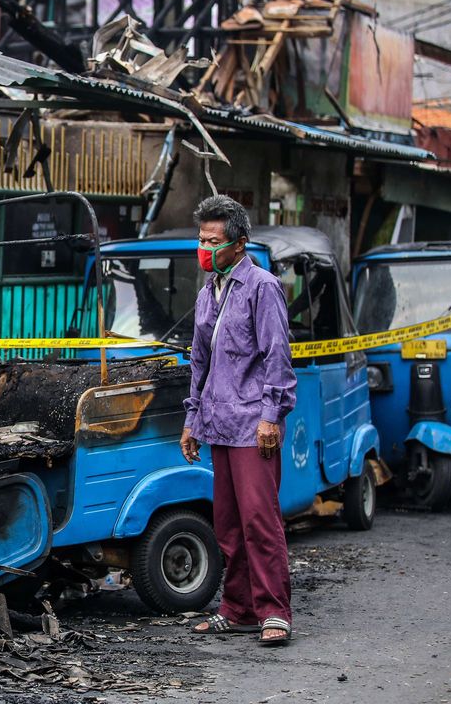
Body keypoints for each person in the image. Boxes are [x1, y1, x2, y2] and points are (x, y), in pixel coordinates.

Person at [180, 195, 297, 646]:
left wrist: (271, 416)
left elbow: (277, 357)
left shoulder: (261, 286)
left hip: (253, 424)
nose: (204, 248)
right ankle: (239, 608)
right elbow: (200, 363)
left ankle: (274, 611)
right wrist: (192, 419)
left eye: (213, 241)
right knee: (228, 524)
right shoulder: (209, 290)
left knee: (259, 521)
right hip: (218, 423)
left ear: (239, 244)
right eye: (201, 239)